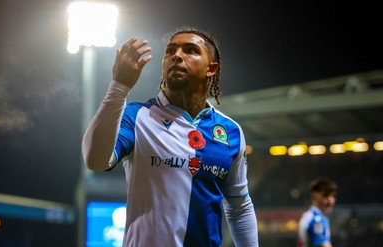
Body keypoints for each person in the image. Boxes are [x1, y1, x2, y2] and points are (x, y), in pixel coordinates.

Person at [82, 26, 259, 246]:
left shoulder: (230, 131)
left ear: (211, 69)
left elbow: (239, 207)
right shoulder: (138, 115)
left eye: (191, 50)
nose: (176, 55)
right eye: (170, 51)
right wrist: (119, 86)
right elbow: (95, 161)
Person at [298, 177, 338, 247]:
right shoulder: (316, 219)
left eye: (333, 196)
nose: (330, 201)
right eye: (325, 196)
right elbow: (323, 245)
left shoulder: (310, 216)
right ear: (314, 197)